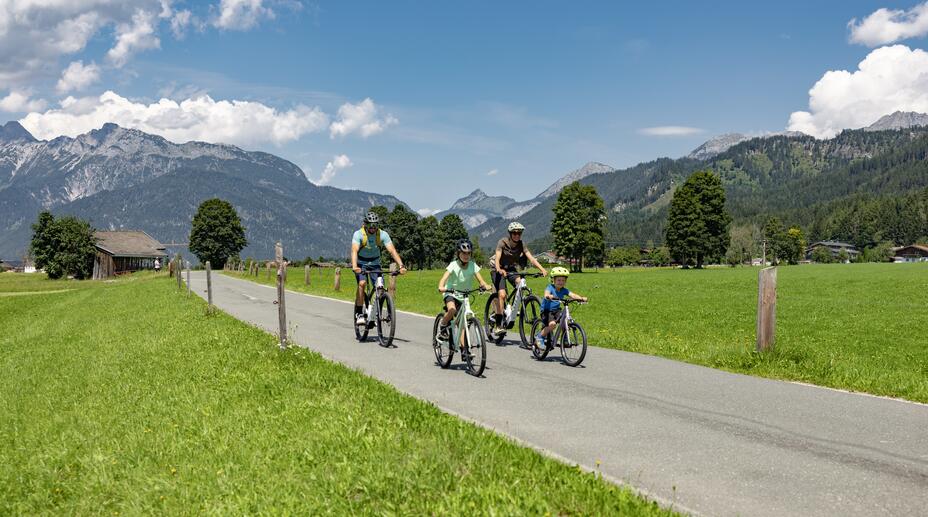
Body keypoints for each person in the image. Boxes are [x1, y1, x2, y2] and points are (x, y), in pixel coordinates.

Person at [489, 221, 547, 330]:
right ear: (510, 233)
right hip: (497, 268)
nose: (517, 235)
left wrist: (542, 269)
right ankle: (498, 324)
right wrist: (499, 269)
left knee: (520, 282)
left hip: (510, 268)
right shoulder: (502, 242)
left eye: (519, 233)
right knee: (502, 294)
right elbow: (497, 258)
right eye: (514, 233)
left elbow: (532, 258)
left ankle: (511, 308)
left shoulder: (521, 244)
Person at [351, 211, 406, 325]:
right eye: (370, 225)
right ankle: (359, 313)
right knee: (362, 283)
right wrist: (355, 266)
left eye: (375, 225)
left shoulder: (382, 234)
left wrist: (401, 265)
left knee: (380, 288)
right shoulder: (358, 234)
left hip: (375, 263)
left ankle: (375, 314)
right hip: (361, 263)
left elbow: (392, 250)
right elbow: (354, 250)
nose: (373, 228)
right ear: (365, 224)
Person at [437, 239, 492, 341]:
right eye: (463, 253)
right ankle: (443, 325)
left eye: (468, 253)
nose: (466, 256)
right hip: (451, 294)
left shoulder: (472, 265)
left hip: (463, 296)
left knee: (462, 325)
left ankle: (464, 352)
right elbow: (443, 279)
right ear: (458, 253)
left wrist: (485, 285)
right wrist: (441, 287)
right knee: (452, 309)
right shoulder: (453, 265)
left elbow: (481, 280)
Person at [536, 266, 587, 346]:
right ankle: (540, 337)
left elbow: (572, 295)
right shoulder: (550, 287)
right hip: (547, 311)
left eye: (563, 280)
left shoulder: (564, 290)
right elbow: (546, 293)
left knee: (565, 321)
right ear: (553, 280)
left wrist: (581, 298)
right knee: (552, 324)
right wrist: (548, 296)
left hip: (556, 310)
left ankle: (565, 338)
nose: (561, 282)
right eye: (559, 280)